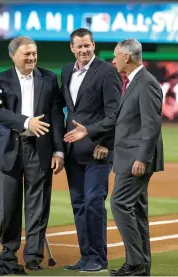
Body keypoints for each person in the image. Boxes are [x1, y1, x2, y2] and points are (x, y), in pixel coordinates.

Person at [64, 38, 164, 276]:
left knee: (119, 204)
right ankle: (141, 267)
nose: (113, 60)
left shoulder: (146, 83)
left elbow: (151, 126)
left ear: (127, 57)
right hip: (128, 156)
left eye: (117, 56)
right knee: (137, 211)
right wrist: (89, 131)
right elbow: (123, 120)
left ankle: (136, 263)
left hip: (135, 158)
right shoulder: (133, 82)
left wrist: (142, 158)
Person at [0, 36, 65, 271]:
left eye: (34, 54)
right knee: (8, 205)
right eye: (26, 54)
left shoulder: (49, 78)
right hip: (8, 149)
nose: (32, 58)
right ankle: (8, 253)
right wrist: (26, 122)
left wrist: (59, 150)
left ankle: (33, 256)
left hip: (40, 149)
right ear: (13, 55)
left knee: (38, 206)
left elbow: (56, 116)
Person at [60, 28, 122, 273]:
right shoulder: (66, 71)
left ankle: (98, 258)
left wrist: (105, 142)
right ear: (72, 48)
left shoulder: (107, 72)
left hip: (98, 150)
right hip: (73, 151)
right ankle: (85, 257)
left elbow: (115, 114)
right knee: (79, 205)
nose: (84, 50)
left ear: (93, 45)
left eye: (88, 45)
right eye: (79, 46)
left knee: (94, 203)